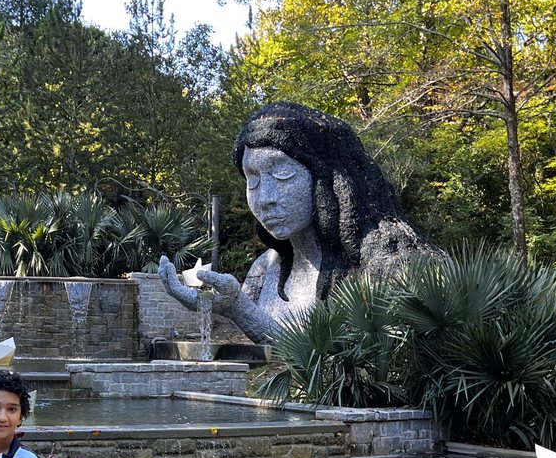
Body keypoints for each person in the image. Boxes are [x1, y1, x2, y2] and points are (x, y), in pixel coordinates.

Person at [159, 100, 431, 343]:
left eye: (282, 174)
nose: (265, 198)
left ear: (330, 179)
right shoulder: (264, 269)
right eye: (253, 179)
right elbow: (290, 354)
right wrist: (234, 306)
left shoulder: (394, 264)